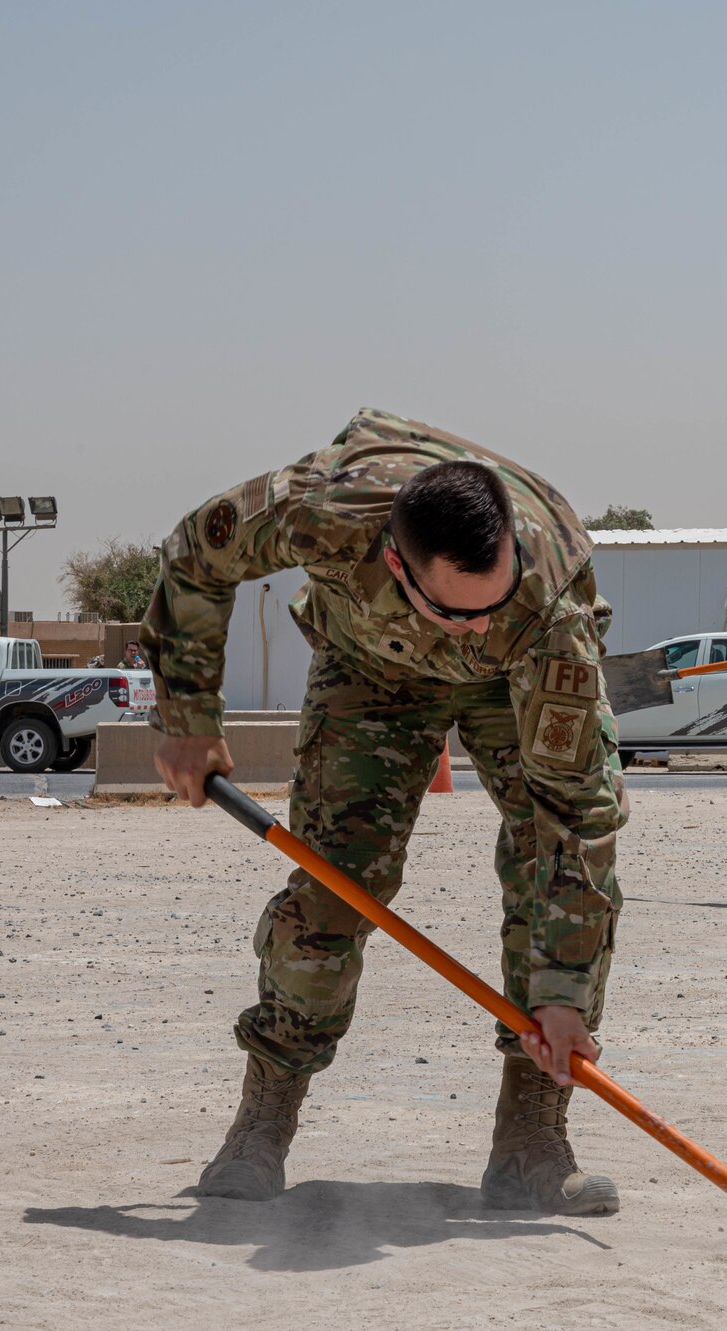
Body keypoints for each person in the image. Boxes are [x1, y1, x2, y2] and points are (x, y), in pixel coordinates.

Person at [141, 408, 627, 1216]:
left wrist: (563, 995)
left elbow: (574, 821)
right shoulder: (323, 512)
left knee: (553, 867)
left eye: (488, 605)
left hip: (517, 682)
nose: (476, 626)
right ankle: (263, 1119)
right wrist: (189, 718)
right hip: (371, 669)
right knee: (334, 884)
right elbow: (195, 554)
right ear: (394, 563)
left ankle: (532, 1137)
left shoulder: (545, 609)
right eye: (457, 612)